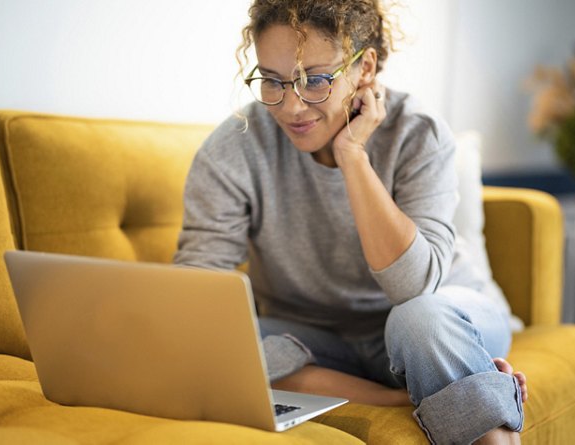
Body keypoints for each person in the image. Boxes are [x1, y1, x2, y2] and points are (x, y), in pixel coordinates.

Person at [174, 1, 527, 443]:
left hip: (435, 322)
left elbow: (413, 288)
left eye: (315, 79)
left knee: (420, 320)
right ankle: (395, 394)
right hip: (316, 343)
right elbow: (194, 294)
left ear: (365, 69)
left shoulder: (418, 133)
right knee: (210, 340)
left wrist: (352, 157)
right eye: (272, 81)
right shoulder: (233, 149)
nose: (291, 106)